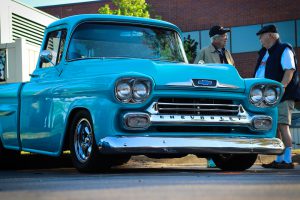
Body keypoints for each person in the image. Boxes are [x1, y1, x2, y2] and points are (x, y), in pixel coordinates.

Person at [254, 24, 300, 169]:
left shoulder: (284, 49)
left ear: (271, 35)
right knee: (276, 128)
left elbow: (289, 71)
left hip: (282, 96)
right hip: (267, 98)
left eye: (262, 36)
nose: (260, 39)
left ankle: (287, 160)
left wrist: (281, 88)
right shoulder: (264, 53)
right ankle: (279, 159)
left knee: (283, 125)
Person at [194, 25, 235, 168]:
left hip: (227, 98)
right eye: (224, 36)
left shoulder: (227, 53)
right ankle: (210, 158)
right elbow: (196, 73)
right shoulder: (204, 52)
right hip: (209, 99)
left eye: (226, 35)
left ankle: (224, 155)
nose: (226, 38)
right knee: (211, 128)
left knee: (225, 127)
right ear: (215, 38)